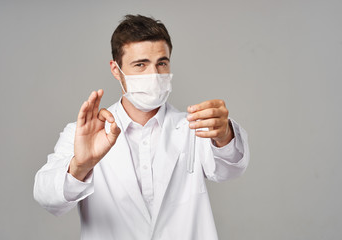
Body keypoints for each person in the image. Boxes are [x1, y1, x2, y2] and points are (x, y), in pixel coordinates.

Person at [34, 14, 250, 240]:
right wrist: (80, 166)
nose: (154, 75)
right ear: (116, 70)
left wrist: (225, 135)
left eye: (162, 63)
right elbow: (46, 196)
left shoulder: (193, 128)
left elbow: (231, 168)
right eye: (140, 65)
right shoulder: (85, 134)